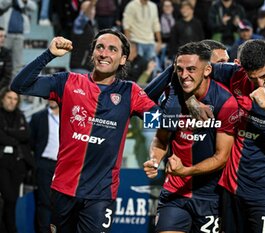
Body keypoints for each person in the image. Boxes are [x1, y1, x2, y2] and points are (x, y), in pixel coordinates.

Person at [10, 28, 159, 233]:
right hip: (63, 188)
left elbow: (159, 121)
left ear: (123, 59)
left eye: (112, 49)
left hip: (101, 194)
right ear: (92, 53)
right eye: (100, 47)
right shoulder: (68, 82)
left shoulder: (130, 92)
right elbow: (19, 86)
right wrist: (49, 54)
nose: (104, 53)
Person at [143, 41, 239, 233]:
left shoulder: (226, 101)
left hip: (210, 197)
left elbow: (221, 158)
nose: (184, 75)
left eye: (192, 69)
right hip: (175, 193)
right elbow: (161, 139)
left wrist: (185, 171)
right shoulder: (170, 99)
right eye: (180, 69)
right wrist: (154, 159)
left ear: (207, 70)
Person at [0, 87, 32, 233]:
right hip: (2, 162)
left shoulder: (20, 115)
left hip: (18, 162)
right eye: (9, 98)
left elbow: (26, 135)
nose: (12, 101)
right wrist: (15, 137)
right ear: (2, 99)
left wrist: (7, 131)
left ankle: (9, 229)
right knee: (9, 197)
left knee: (11, 200)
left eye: (15, 99)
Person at [30, 100, 59, 233]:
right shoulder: (38, 117)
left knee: (61, 204)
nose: (51, 99)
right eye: (49, 97)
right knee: (44, 202)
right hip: (44, 164)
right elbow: (30, 142)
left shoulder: (71, 117)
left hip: (63, 167)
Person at [69, 0, 98, 74]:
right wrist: (92, 3)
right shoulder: (79, 23)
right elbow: (84, 15)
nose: (92, 10)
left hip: (89, 68)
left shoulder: (93, 25)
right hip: (79, 67)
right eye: (89, 8)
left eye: (93, 8)